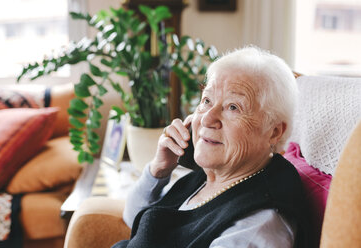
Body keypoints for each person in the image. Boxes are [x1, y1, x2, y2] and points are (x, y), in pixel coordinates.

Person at [112, 46, 311, 248]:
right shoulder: (212, 175)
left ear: (274, 132)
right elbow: (133, 219)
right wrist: (159, 170)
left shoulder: (255, 226)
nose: (207, 118)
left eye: (233, 107)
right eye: (207, 100)